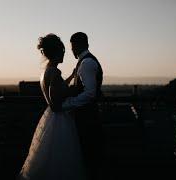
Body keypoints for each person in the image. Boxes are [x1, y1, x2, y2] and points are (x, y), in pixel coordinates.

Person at [18, 34, 86, 180]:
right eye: (63, 52)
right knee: (60, 159)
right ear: (57, 52)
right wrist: (76, 91)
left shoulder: (46, 72)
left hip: (51, 118)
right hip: (59, 120)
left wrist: (72, 77)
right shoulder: (54, 72)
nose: (64, 55)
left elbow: (57, 89)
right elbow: (56, 102)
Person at [62, 32, 103, 180]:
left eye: (72, 47)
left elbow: (90, 93)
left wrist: (68, 104)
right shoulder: (83, 62)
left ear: (78, 45)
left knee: (89, 158)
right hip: (84, 118)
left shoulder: (87, 63)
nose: (71, 51)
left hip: (88, 120)